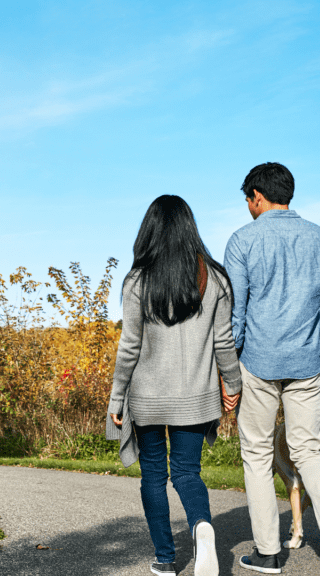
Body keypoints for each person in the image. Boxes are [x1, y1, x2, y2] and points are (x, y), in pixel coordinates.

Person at [222, 162, 320, 576]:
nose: (248, 206)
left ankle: (267, 554)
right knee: (306, 449)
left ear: (258, 196)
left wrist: (228, 375)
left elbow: (235, 318)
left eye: (248, 199)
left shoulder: (241, 241)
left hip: (257, 365)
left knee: (258, 454)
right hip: (305, 366)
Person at [107, 194, 243, 576]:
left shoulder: (137, 280)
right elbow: (224, 342)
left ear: (149, 231)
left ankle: (166, 559)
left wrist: (117, 399)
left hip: (147, 398)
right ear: (190, 229)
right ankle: (202, 528)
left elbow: (129, 347)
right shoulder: (214, 279)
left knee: (153, 475)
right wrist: (232, 384)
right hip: (196, 398)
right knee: (187, 473)